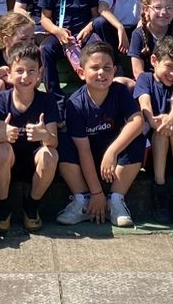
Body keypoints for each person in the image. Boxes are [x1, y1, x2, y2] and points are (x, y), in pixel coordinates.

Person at [55, 42, 143, 228]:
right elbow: (83, 150)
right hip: (87, 156)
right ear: (81, 73)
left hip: (113, 160)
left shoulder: (120, 92)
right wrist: (96, 193)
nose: (101, 73)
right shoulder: (76, 104)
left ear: (115, 71)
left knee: (137, 139)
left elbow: (137, 121)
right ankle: (83, 200)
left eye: (106, 68)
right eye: (94, 68)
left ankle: (116, 200)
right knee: (62, 143)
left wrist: (112, 152)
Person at [0, 42, 60, 233]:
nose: (25, 76)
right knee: (2, 149)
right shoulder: (2, 99)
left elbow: (53, 140)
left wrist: (44, 134)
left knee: (50, 154)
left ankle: (31, 206)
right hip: (9, 160)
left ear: (40, 72)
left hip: (34, 161)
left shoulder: (47, 100)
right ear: (10, 74)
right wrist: (2, 134)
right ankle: (3, 208)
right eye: (19, 70)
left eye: (31, 70)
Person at [134, 35, 173, 225]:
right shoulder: (145, 78)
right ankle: (159, 189)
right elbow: (144, 102)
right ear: (154, 61)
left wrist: (172, 117)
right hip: (153, 154)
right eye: (168, 66)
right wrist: (153, 120)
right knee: (160, 133)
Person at [38, 0, 102, 92]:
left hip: (83, 35)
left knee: (96, 49)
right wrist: (57, 31)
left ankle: (91, 90)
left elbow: (96, 15)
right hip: (61, 35)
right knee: (46, 49)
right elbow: (44, 18)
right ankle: (54, 96)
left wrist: (88, 28)